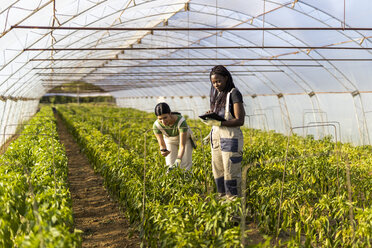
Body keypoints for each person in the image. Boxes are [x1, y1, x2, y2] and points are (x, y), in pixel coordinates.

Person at [201, 65, 245, 199]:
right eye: (213, 82)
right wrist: (211, 116)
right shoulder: (218, 95)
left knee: (231, 173)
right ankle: (221, 203)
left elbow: (239, 120)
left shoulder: (233, 93)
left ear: (226, 78)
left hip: (230, 139)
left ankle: (233, 208)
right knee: (218, 172)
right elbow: (220, 116)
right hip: (217, 139)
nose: (216, 85)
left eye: (218, 81)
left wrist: (220, 122)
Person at [153, 102, 194, 171]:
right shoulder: (156, 125)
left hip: (185, 140)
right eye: (160, 119)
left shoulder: (181, 121)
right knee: (170, 165)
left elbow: (182, 145)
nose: (163, 122)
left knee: (185, 164)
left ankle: (186, 179)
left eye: (165, 117)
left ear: (170, 113)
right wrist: (163, 150)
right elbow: (162, 144)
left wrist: (178, 159)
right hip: (170, 140)